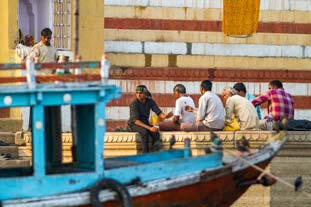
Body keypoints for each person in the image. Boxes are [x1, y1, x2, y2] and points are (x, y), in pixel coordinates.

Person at [128, 85, 173, 153]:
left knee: (155, 132)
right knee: (144, 133)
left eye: (140, 93)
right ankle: (145, 154)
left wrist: (165, 116)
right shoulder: (134, 104)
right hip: (134, 124)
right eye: (137, 93)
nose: (138, 95)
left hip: (145, 123)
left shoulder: (150, 101)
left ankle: (156, 150)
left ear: (145, 94)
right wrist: (149, 128)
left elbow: (158, 112)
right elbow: (136, 121)